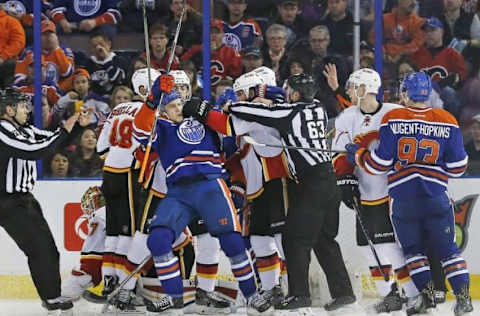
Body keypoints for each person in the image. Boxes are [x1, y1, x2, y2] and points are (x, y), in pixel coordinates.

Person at [183, 73, 356, 314]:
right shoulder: (316, 107)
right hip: (327, 182)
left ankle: (299, 295)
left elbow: (237, 120)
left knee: (294, 239)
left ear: (294, 94)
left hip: (311, 184)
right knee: (324, 239)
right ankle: (344, 293)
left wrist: (215, 107)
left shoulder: (286, 113)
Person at [133, 76, 273, 315]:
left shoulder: (200, 120)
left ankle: (252, 296)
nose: (178, 108)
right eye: (171, 105)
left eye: (179, 103)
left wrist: (222, 109)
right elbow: (139, 131)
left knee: (232, 242)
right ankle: (175, 298)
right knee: (157, 240)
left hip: (209, 184)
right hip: (178, 191)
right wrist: (152, 100)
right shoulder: (162, 129)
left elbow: (230, 140)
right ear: (163, 112)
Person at [346, 72, 473, 315]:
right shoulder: (447, 119)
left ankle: (424, 298)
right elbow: (459, 167)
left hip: (404, 200)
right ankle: (464, 299)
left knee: (413, 252)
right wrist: (436, 167)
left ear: (405, 93)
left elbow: (379, 164)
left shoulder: (394, 118)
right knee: (449, 251)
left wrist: (359, 154)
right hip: (436, 196)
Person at [331, 68, 419, 313]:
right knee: (365, 246)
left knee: (390, 246)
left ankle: (412, 294)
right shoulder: (347, 117)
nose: (347, 90)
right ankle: (389, 294)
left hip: (393, 192)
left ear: (363, 89)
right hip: (365, 192)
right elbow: (340, 154)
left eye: (351, 86)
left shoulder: (394, 113)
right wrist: (345, 178)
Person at [0, 87, 79, 314]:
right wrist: (64, 131)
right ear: (8, 109)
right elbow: (33, 151)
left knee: (46, 249)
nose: (27, 110)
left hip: (22, 200)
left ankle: (52, 296)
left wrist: (72, 125)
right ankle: (52, 297)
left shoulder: (23, 129)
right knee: (41, 249)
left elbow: (48, 139)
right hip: (8, 202)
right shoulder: (3, 131)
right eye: (23, 106)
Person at [95, 67, 161, 312]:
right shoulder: (147, 111)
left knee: (113, 230)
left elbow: (101, 148)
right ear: (145, 89)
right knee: (129, 232)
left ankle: (109, 281)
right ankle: (124, 288)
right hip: (129, 173)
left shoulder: (117, 109)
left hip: (110, 171)